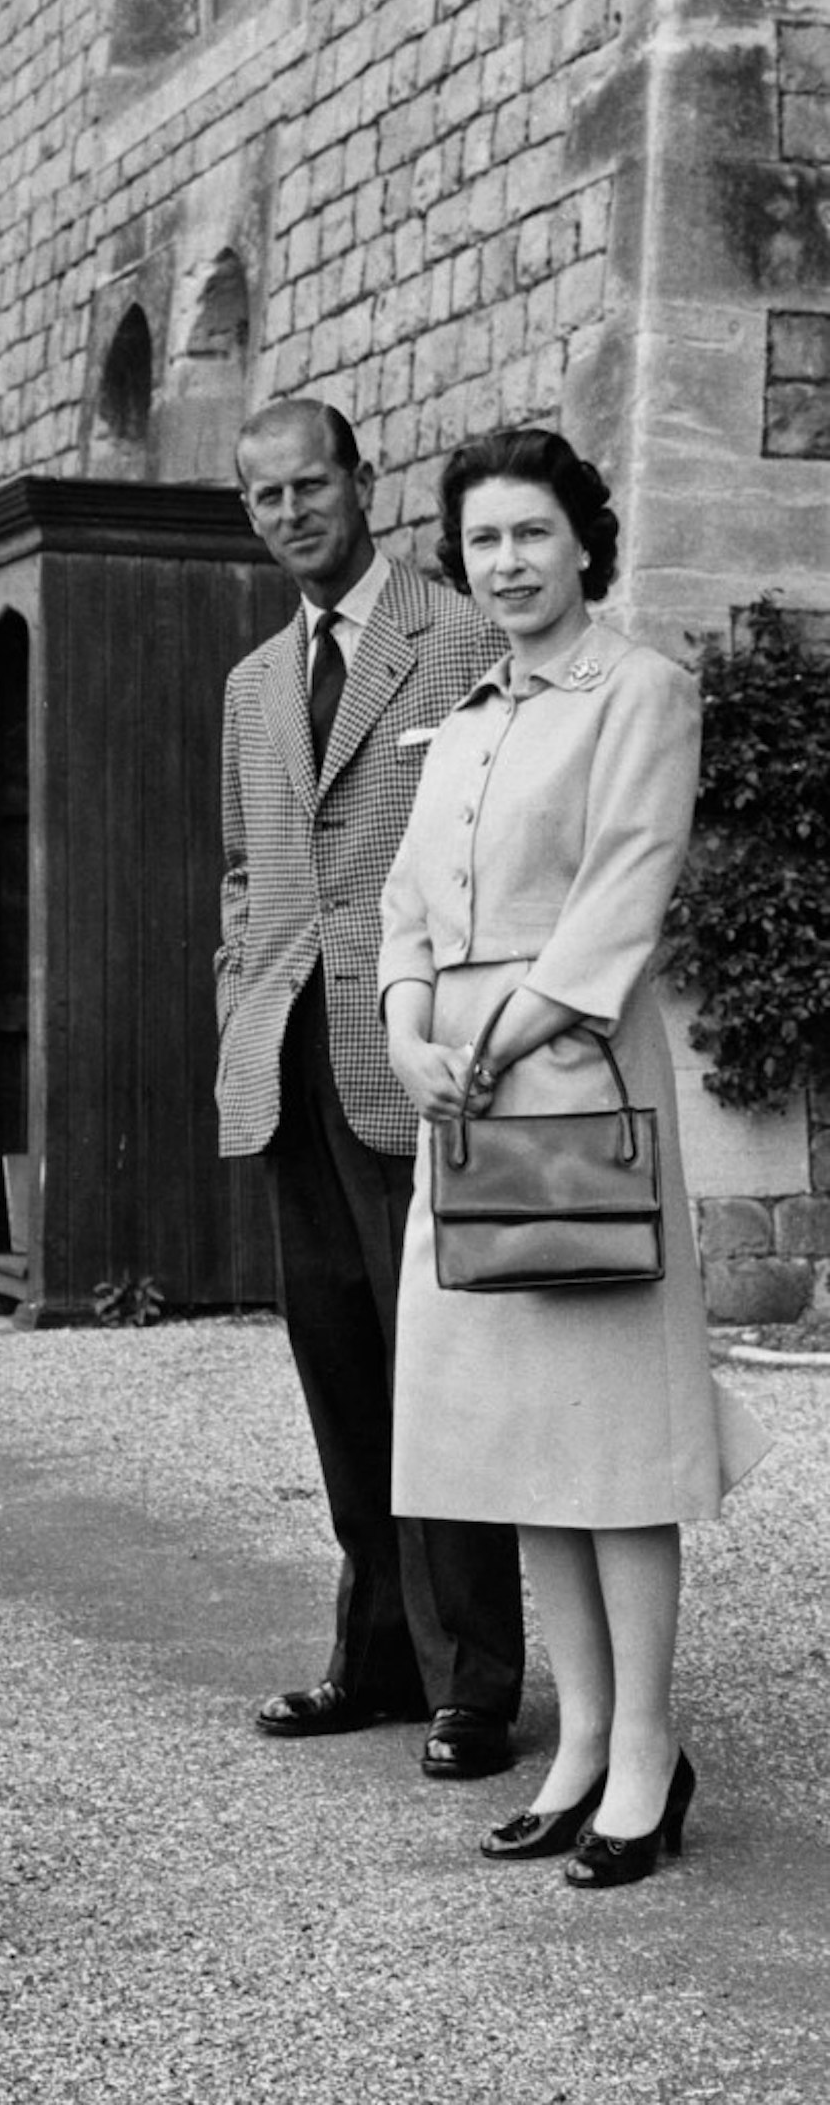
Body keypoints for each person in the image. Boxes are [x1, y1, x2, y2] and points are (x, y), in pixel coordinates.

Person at [379, 425, 769, 1884]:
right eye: (483, 541)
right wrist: (415, 1031)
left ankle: (651, 1752)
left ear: (584, 540)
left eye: (532, 533)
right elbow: (405, 908)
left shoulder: (642, 689)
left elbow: (626, 886)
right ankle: (586, 1742)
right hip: (465, 1101)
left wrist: (506, 1032)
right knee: (524, 1443)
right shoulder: (465, 719)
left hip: (577, 1078)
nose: (509, 563)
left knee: (615, 1442)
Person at [216, 397, 526, 1778]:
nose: (292, 514)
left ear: (363, 483)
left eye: (310, 486)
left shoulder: (459, 638)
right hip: (288, 1066)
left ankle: (476, 1684)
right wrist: (238, 987)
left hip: (417, 1060)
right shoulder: (251, 684)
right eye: (266, 497)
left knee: (442, 1375)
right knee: (340, 1371)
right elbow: (248, 872)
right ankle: (379, 1658)